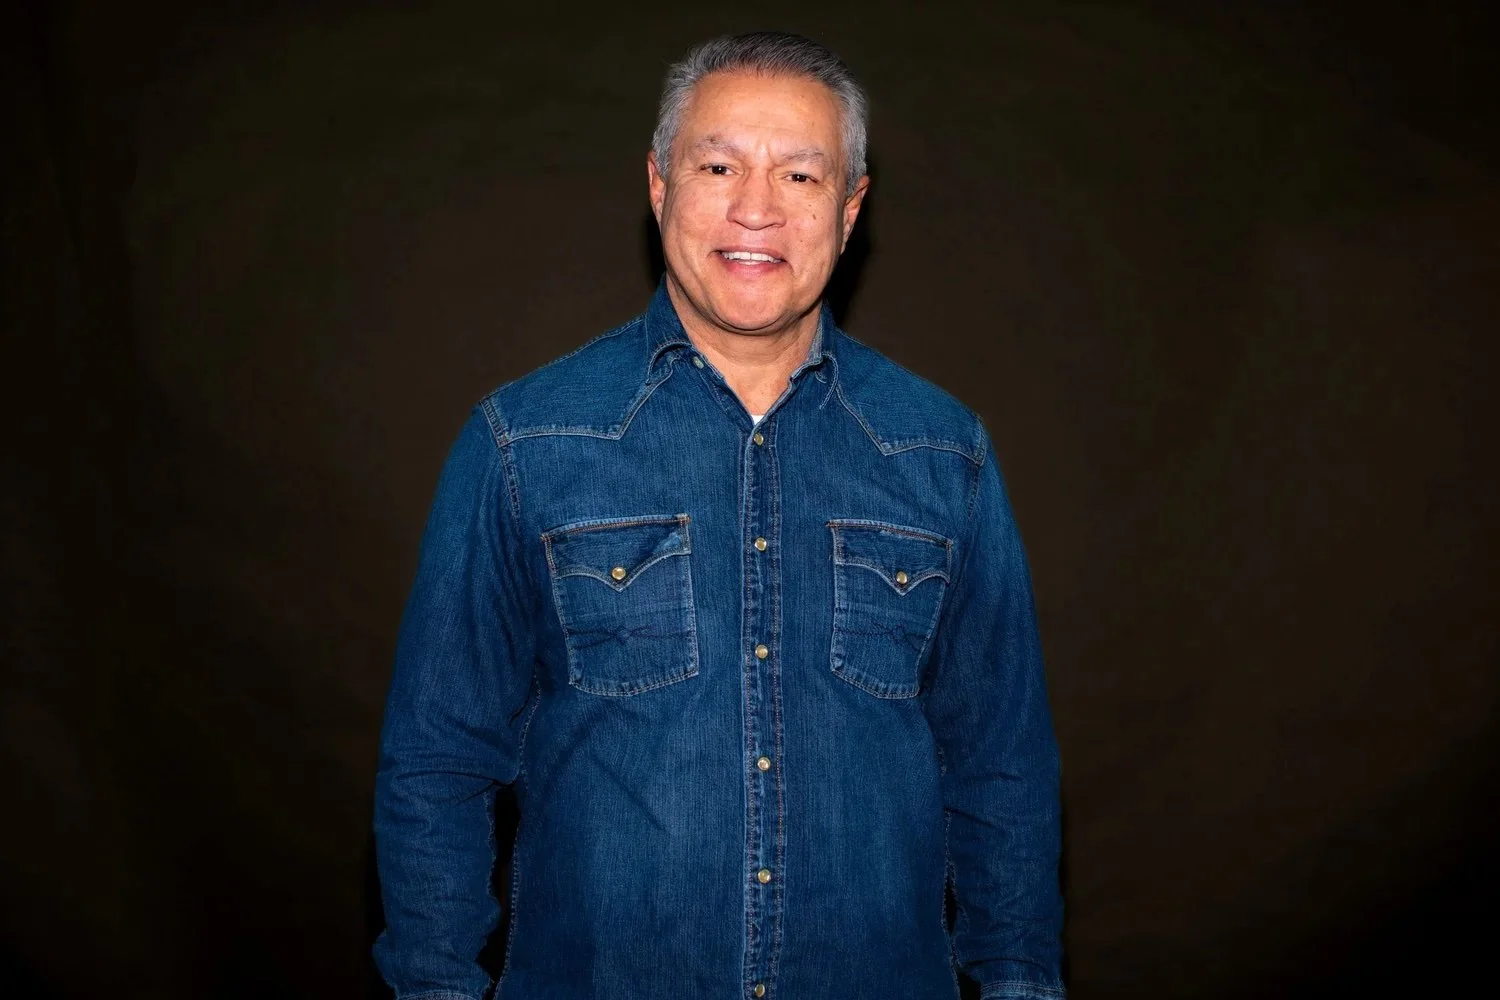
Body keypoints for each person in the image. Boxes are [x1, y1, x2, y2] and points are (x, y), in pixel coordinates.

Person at [373, 30, 1065, 1000]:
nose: (756, 208)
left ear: (851, 207)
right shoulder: (525, 444)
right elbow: (437, 763)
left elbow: (1004, 768)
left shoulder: (944, 454)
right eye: (718, 164)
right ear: (658, 185)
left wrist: (1023, 986)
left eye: (799, 175)